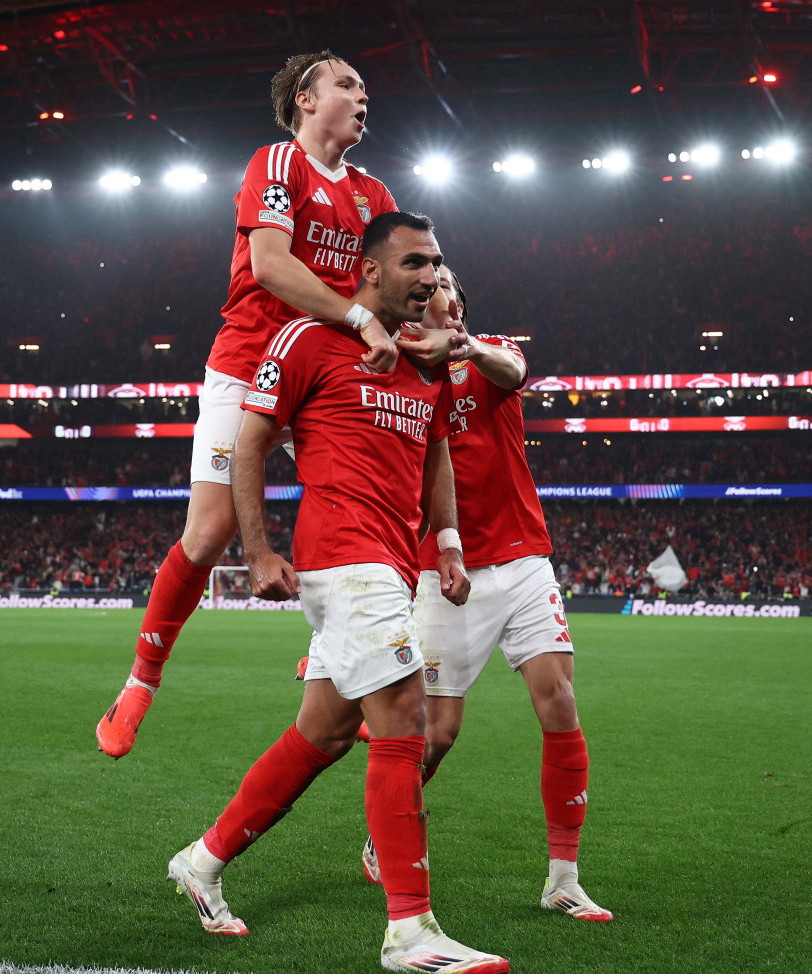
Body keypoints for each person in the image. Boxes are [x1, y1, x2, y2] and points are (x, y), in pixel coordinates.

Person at [166, 213, 509, 973]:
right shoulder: (307, 339)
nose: (431, 276)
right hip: (342, 560)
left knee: (320, 735)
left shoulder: (425, 360)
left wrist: (448, 549)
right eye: (416, 262)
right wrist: (257, 551)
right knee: (404, 717)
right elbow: (250, 444)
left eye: (438, 263)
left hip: (392, 563)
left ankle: (204, 858)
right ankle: (410, 932)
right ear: (371, 272)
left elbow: (437, 458)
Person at [96, 49, 404, 759]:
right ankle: (142, 679)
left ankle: (337, 659)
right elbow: (270, 264)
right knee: (207, 537)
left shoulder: (374, 193)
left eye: (365, 88)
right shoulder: (275, 164)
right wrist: (359, 319)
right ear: (304, 98)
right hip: (248, 362)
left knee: (373, 514)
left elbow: (388, 281)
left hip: (328, 378)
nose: (363, 97)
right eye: (348, 85)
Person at [357, 266, 612, 923]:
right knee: (437, 734)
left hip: (524, 559)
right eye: (432, 287)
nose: (443, 295)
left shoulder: (493, 351)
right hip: (446, 571)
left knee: (559, 697)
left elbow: (514, 373)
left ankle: (564, 877)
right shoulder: (397, 373)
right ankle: (383, 833)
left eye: (450, 289)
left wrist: (470, 347)